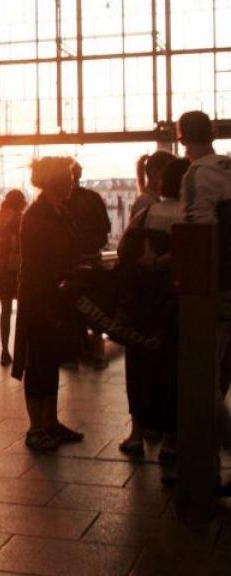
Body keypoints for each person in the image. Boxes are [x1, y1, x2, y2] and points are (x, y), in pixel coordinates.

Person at [117, 158, 189, 465]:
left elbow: (123, 251)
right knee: (174, 370)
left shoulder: (146, 214)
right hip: (176, 305)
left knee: (139, 368)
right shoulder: (191, 216)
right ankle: (172, 440)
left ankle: (137, 433)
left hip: (143, 307)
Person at [11, 156, 85, 452]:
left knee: (51, 360)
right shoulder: (37, 215)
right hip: (40, 297)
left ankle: (51, 422)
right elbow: (38, 263)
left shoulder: (58, 211)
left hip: (57, 295)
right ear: (53, 180)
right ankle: (35, 428)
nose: (72, 181)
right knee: (37, 362)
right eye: (67, 177)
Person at [176, 110, 231, 495]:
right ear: (212, 132)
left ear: (181, 139)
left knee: (208, 384)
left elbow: (198, 233)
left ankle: (207, 467)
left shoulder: (196, 175)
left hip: (219, 291)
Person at [66, 162, 112, 369]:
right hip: (94, 260)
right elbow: (107, 227)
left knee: (72, 307)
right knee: (96, 308)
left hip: (72, 264)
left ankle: (76, 353)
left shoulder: (62, 202)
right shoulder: (93, 198)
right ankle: (98, 353)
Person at [0, 189, 27, 366]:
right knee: (24, 311)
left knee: (5, 311)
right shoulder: (18, 219)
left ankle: (4, 351)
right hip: (14, 271)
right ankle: (22, 352)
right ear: (19, 203)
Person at [131, 150, 176, 220]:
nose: (171, 178)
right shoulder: (146, 202)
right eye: (168, 173)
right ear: (153, 172)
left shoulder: (149, 200)